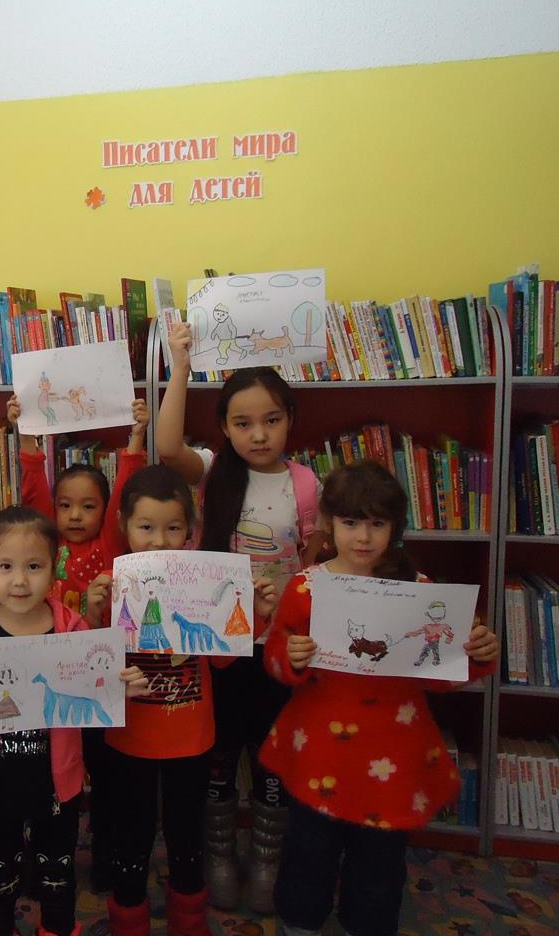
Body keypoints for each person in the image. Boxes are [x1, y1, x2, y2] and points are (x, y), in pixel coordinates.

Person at [262, 461, 500, 936]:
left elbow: (440, 677)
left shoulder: (420, 591)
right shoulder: (306, 586)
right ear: (329, 523)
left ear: (395, 527)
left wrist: (476, 656)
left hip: (392, 751)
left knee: (379, 866)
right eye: (351, 522)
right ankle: (300, 923)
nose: (364, 537)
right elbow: (277, 657)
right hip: (320, 750)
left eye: (377, 523)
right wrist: (291, 656)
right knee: (307, 853)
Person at [156, 320, 318, 911]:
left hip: (278, 647)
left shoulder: (305, 483)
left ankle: (267, 861)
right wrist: (180, 365)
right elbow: (167, 448)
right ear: (224, 427)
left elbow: (313, 561)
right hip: (218, 648)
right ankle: (219, 855)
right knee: (219, 755)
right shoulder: (211, 473)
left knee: (272, 756)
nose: (259, 434)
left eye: (271, 420)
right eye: (243, 423)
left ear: (289, 420)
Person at [84, 466, 277, 936]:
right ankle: (128, 919)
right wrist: (93, 611)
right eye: (145, 527)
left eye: (172, 528)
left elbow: (223, 661)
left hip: (190, 737)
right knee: (131, 836)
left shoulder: (201, 582)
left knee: (187, 834)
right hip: (129, 737)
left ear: (189, 530)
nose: (158, 540)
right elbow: (91, 665)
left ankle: (189, 921)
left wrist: (258, 615)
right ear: (124, 526)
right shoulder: (115, 584)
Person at [0, 506, 148, 936]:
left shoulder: (70, 627)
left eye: (33, 567)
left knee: (57, 870)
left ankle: (56, 927)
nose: (20, 581)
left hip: (57, 783)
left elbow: (94, 692)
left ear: (54, 569)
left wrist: (118, 687)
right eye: (5, 567)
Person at [9, 393, 149, 888]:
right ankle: (37, 854)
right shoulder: (45, 544)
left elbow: (127, 485)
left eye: (88, 506)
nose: (73, 515)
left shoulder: (111, 542)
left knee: (105, 770)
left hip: (100, 677)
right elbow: (33, 495)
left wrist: (135, 437)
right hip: (52, 675)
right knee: (46, 771)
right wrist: (27, 434)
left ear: (107, 512)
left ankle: (106, 852)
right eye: (65, 505)